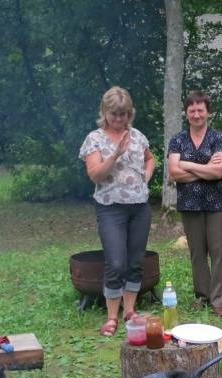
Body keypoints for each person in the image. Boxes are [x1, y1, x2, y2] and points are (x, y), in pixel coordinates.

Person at [79, 86, 155, 336]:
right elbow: (95, 174)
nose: (119, 119)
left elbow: (150, 158)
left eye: (123, 114)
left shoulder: (138, 136)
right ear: (105, 112)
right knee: (116, 261)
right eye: (114, 114)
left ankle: (129, 310)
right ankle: (111, 316)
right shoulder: (95, 138)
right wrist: (115, 155)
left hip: (139, 207)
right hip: (110, 208)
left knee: (135, 261)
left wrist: (146, 176)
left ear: (130, 113)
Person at [168, 92, 222, 316]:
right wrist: (205, 168)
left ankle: (219, 300)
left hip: (216, 205)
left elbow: (219, 171)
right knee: (197, 253)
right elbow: (174, 173)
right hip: (189, 205)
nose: (196, 114)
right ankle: (202, 296)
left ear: (208, 112)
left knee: (218, 251)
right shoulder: (178, 140)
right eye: (192, 110)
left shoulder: (218, 138)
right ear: (186, 113)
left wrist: (187, 164)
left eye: (200, 110)